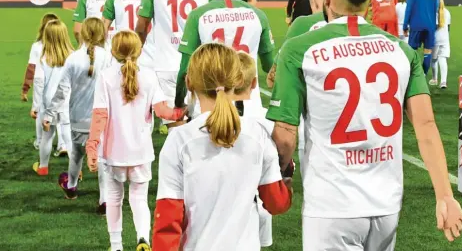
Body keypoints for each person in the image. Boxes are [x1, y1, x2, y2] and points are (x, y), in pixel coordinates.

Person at [267, 0, 462, 250]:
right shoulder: (402, 51)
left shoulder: (300, 49)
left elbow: (285, 135)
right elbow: (425, 125)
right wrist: (445, 196)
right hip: (386, 205)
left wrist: (280, 174)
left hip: (332, 206)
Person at [152, 44, 292, 251]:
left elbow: (168, 219)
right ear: (237, 80)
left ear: (189, 82)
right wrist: (288, 177)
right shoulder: (257, 134)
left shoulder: (179, 140)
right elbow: (276, 203)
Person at [85, 31, 186, 251]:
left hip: (113, 152)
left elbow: (100, 115)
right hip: (141, 151)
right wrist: (180, 113)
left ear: (113, 51)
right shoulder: (149, 76)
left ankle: (116, 246)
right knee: (139, 198)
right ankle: (143, 239)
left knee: (114, 198)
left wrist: (92, 147)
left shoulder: (106, 76)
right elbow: (162, 111)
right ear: (139, 51)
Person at [175, 0, 274, 113]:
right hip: (249, 105)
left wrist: (178, 102)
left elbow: (185, 68)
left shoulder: (198, 15)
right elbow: (270, 66)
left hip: (209, 105)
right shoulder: (258, 15)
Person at [136, 0, 212, 130]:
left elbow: (141, 27)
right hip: (196, 65)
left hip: (165, 65)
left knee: (176, 127)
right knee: (199, 124)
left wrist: (135, 53)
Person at [42, 18, 109, 214]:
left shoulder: (73, 59)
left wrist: (49, 114)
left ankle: (71, 187)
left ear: (83, 34)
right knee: (102, 157)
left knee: (77, 155)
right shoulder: (109, 57)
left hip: (79, 118)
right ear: (102, 34)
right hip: (103, 118)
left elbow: (62, 91)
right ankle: (104, 199)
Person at [267, 0, 327, 176]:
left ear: (314, 2)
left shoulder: (302, 24)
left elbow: (275, 73)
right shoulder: (359, 29)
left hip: (311, 110)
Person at [234, 52, 274, 248]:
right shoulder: (266, 118)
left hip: (217, 207)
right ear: (254, 83)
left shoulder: (208, 116)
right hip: (258, 204)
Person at [32, 20, 74, 176]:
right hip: (68, 101)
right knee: (68, 134)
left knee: (47, 135)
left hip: (48, 102)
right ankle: (75, 169)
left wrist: (36, 106)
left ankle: (43, 167)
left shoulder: (43, 58)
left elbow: (38, 82)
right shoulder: (73, 56)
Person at [22, 13, 66, 156]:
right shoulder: (68, 51)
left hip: (46, 94)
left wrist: (26, 90)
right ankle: (63, 145)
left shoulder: (38, 48)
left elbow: (34, 73)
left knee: (43, 118)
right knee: (62, 119)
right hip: (65, 94)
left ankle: (41, 145)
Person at [403, 0, 440, 75]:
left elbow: (408, 8)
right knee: (428, 51)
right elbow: (436, 9)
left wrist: (405, 26)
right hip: (430, 25)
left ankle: (412, 74)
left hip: (416, 24)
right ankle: (423, 74)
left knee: (412, 50)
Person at [430, 0, 451, 89]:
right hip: (445, 39)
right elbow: (449, 27)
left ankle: (434, 78)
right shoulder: (447, 12)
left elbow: (433, 27)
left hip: (435, 39)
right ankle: (443, 82)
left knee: (433, 60)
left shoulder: (433, 12)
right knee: (442, 59)